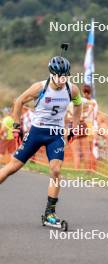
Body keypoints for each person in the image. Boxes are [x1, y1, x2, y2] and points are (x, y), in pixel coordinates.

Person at [0, 56, 82, 224]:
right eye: (58, 76)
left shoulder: (72, 89)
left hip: (56, 134)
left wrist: (74, 127)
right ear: (51, 74)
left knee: (56, 170)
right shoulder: (40, 87)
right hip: (37, 132)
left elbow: (79, 105)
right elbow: (19, 101)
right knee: (12, 167)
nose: (61, 80)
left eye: (65, 76)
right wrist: (16, 126)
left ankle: (49, 213)